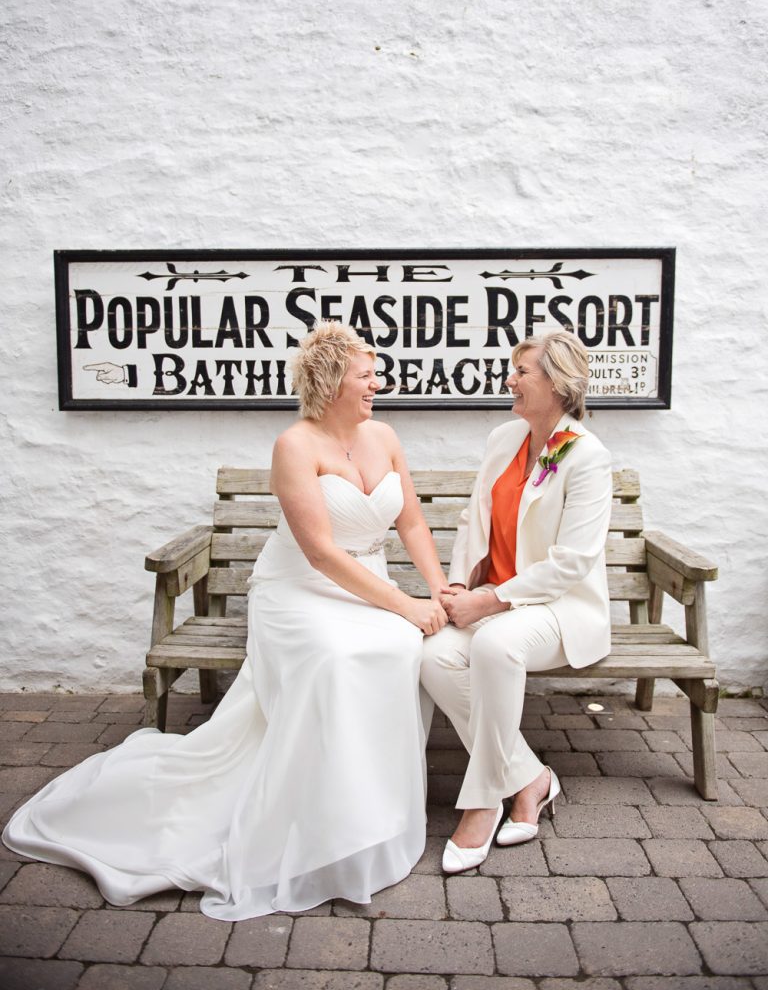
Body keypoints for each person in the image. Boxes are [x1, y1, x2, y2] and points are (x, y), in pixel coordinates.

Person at [4, 322, 449, 918]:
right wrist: (406, 606)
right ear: (330, 380)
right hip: (299, 591)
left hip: (368, 583)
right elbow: (320, 553)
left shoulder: (386, 436)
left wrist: (440, 590)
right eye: (366, 375)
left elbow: (412, 523)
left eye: (375, 374)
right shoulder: (294, 445)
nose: (378, 384)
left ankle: (375, 814)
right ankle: (318, 828)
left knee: (398, 649)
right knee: (337, 658)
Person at [420, 330, 613, 874]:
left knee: (497, 646)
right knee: (432, 656)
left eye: (522, 372)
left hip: (557, 608)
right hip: (491, 597)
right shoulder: (505, 438)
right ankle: (530, 779)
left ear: (558, 384)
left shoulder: (586, 455)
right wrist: (459, 586)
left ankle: (481, 803)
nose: (510, 379)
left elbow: (572, 562)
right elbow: (473, 520)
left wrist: (494, 601)